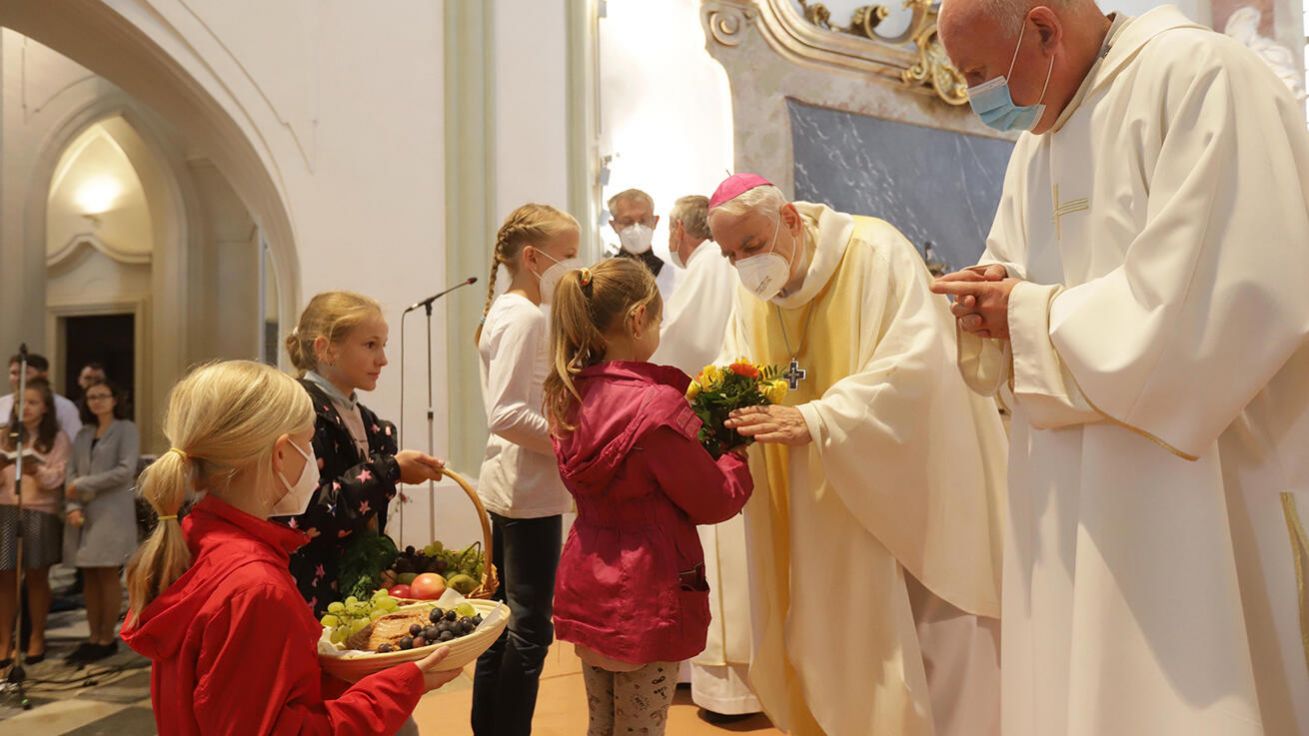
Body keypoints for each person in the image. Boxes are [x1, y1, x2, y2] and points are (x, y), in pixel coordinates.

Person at [932, 2, 1309, 733]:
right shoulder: (1035, 145)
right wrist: (989, 304)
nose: (978, 97)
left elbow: (1223, 302)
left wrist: (1027, 315)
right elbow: (1011, 268)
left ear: (1043, 29)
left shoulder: (1199, 76)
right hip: (1062, 492)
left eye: (978, 75)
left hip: (1189, 486)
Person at [708, 174, 1009, 736]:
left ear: (791, 219)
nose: (745, 265)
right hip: (811, 498)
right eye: (730, 256)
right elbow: (739, 364)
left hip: (899, 486)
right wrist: (724, 402)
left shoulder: (873, 253)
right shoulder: (753, 293)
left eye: (751, 246)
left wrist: (817, 417)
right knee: (832, 633)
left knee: (933, 644)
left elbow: (916, 365)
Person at [120, 360, 459, 734]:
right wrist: (393, 690)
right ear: (282, 454)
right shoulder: (255, 588)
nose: (313, 460)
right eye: (309, 442)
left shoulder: (194, 536)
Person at [543, 257, 754, 736]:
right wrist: (736, 455)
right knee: (641, 729)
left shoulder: (566, 394)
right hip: (646, 588)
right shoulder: (655, 406)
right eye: (659, 318)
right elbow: (716, 499)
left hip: (587, 577)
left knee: (602, 724)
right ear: (639, 319)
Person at [648, 194, 759, 719]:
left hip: (707, 426)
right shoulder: (722, 266)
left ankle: (721, 686)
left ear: (675, 230)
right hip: (729, 420)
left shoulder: (711, 265)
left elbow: (678, 345)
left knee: (716, 555)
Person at [471, 203, 579, 736]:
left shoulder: (513, 310)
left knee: (503, 624)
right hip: (525, 489)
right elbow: (508, 414)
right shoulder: (526, 315)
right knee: (530, 629)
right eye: (569, 256)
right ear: (534, 258)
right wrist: (572, 439)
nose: (575, 269)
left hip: (514, 484)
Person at [283, 291, 445, 615]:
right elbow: (311, 512)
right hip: (312, 596)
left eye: (383, 345)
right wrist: (390, 472)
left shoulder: (367, 420)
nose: (383, 359)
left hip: (349, 591)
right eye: (370, 345)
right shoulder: (299, 412)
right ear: (326, 348)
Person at [64, 379, 139, 664]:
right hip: (84, 514)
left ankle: (107, 638)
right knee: (89, 576)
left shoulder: (126, 429)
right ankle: (92, 636)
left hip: (112, 514)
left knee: (107, 574)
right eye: (91, 397)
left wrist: (83, 483)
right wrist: (71, 505)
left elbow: (125, 470)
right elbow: (70, 475)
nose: (97, 401)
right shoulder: (83, 434)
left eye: (102, 396)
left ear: (115, 399)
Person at [0, 379, 71, 666]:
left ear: (45, 408)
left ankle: (36, 637)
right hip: (6, 509)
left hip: (40, 510)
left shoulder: (57, 438)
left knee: (37, 577)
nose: (25, 408)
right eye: (20, 402)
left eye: (32, 402)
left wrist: (36, 470)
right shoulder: (6, 435)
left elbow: (57, 478)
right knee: (4, 578)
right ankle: (4, 640)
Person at [608, 189, 677, 300]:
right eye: (627, 222)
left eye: (643, 220)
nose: (637, 228)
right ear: (613, 225)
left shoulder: (673, 274)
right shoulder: (604, 276)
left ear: (655, 221)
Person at [0, 354, 81, 440]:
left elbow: (75, 440)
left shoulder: (65, 406)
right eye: (13, 373)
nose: (18, 378)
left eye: (25, 372)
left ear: (44, 375)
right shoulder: (2, 403)